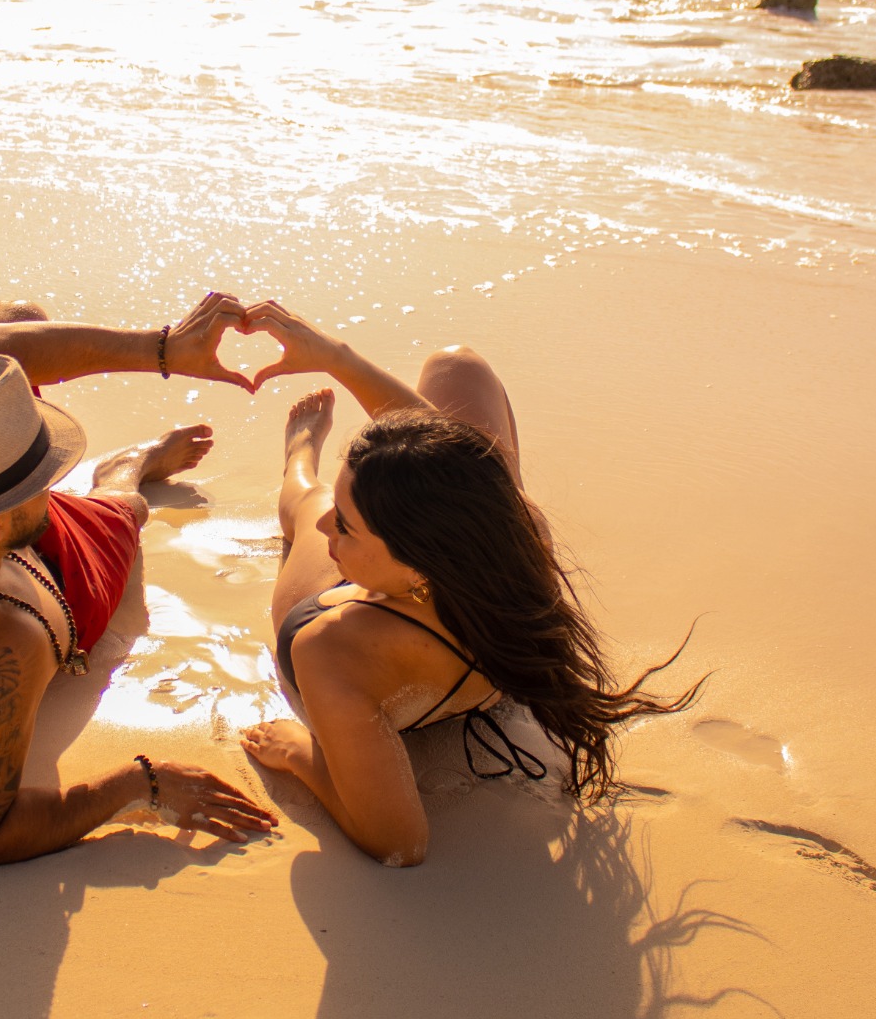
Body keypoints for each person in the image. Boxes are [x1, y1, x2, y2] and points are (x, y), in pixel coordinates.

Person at [238, 300, 698, 868]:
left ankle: (299, 458)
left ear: (419, 564)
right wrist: (337, 357)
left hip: (360, 648)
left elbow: (399, 842)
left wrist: (299, 755)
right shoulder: (516, 534)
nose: (330, 525)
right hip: (474, 651)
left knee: (305, 503)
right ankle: (367, 487)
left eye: (347, 525)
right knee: (459, 367)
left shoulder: (330, 645)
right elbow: (467, 460)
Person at [0, 294, 276, 866]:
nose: (55, 482)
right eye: (44, 478)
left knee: (17, 318)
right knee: (123, 512)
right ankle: (126, 470)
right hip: (59, 588)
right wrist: (141, 783)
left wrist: (164, 349)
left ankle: (45, 470)